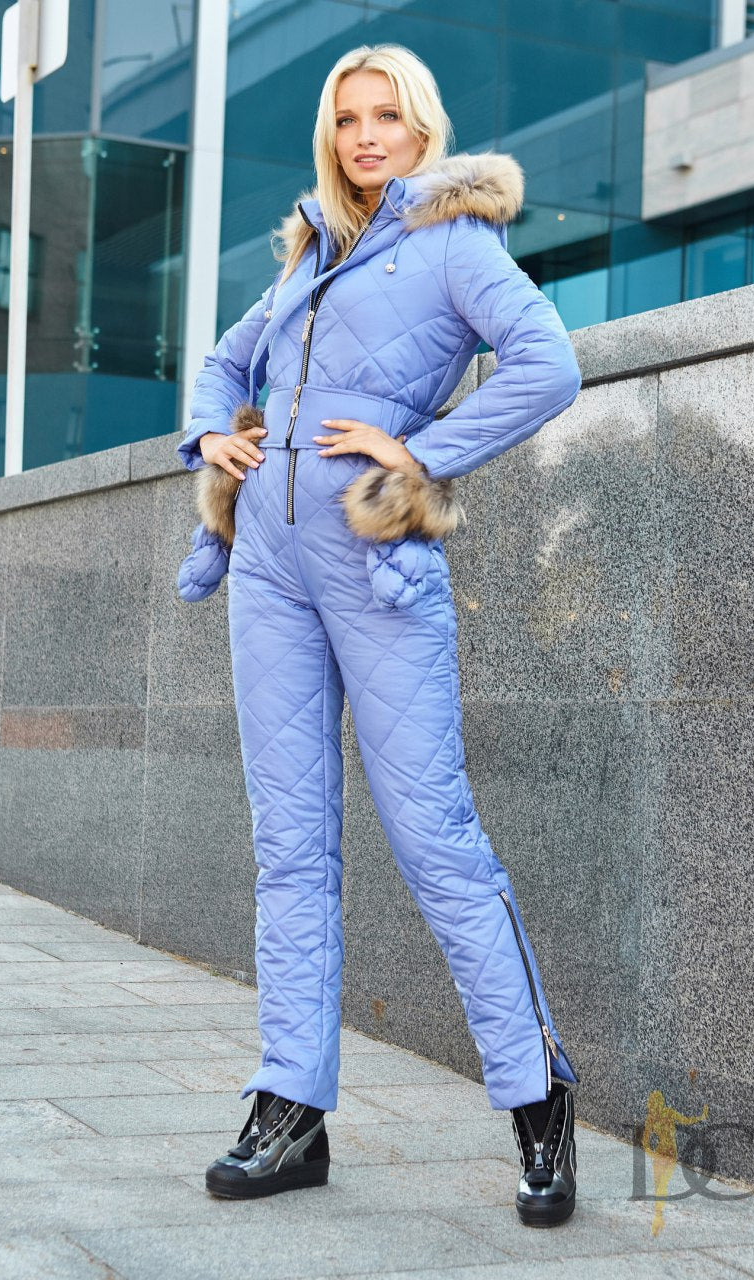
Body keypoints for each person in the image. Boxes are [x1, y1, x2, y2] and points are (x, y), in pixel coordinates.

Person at [175, 42, 582, 1228]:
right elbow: (220, 362)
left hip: (374, 567)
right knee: (288, 844)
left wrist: (423, 448)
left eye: (385, 118)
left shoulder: (456, 241)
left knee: (436, 839)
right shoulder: (310, 251)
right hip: (267, 568)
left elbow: (547, 364)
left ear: (420, 129)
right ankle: (289, 1107)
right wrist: (213, 441)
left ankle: (537, 1093)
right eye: (348, 119)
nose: (365, 138)